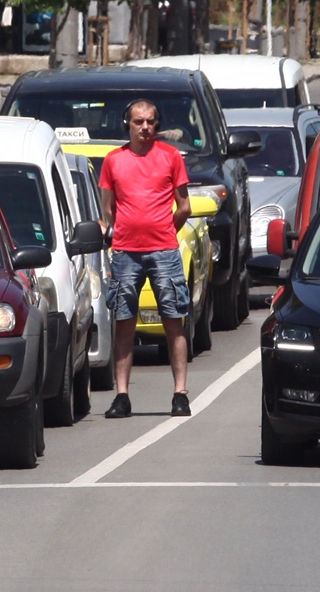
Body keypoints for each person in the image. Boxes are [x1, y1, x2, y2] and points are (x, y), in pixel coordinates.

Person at [99, 99, 193, 419]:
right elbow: (107, 209)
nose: (145, 127)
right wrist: (117, 231)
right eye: (139, 121)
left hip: (164, 251)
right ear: (128, 123)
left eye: (151, 122)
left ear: (157, 124)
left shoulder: (170, 157)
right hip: (126, 253)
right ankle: (122, 395)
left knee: (173, 320)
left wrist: (166, 231)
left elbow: (184, 207)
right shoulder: (114, 161)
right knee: (124, 321)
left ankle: (180, 392)